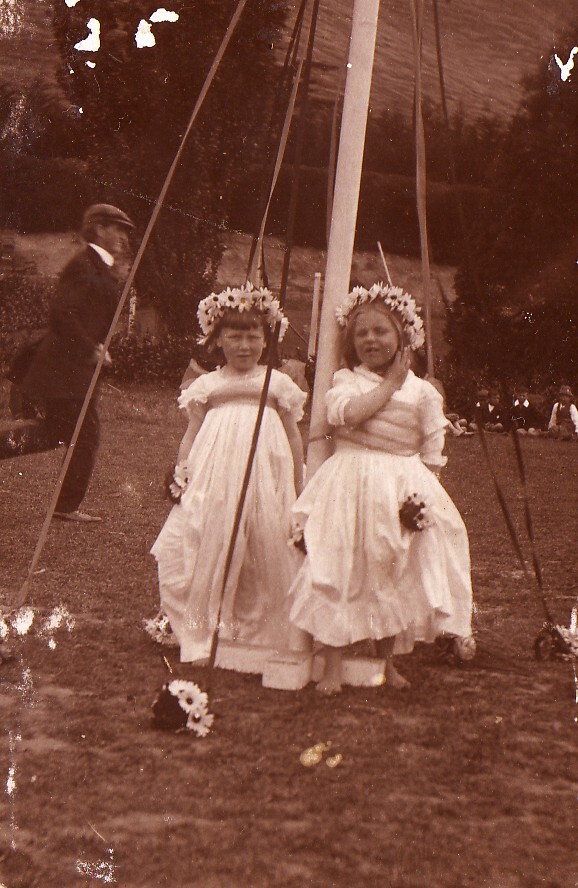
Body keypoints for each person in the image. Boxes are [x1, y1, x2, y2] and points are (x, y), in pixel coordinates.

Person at [288, 283, 473, 694]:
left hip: (401, 486)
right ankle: (333, 665)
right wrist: (389, 383)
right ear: (351, 343)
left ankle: (386, 660)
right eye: (362, 334)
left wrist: (424, 496)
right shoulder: (346, 380)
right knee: (340, 564)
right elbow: (347, 415)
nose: (371, 339)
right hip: (350, 480)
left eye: (381, 332)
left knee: (394, 567)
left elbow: (432, 445)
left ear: (403, 338)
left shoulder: (423, 391)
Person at [150, 283, 307, 664]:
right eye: (234, 337)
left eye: (253, 336)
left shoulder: (278, 384)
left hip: (265, 473)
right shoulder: (207, 386)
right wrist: (181, 473)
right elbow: (192, 434)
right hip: (216, 473)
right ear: (217, 339)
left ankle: (259, 627)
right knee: (208, 537)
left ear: (266, 339)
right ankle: (209, 623)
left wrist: (300, 482)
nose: (244, 346)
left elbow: (292, 435)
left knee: (264, 540)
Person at [20, 204, 134, 521]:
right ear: (99, 229)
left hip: (72, 371)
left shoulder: (99, 266)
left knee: (53, 432)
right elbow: (62, 315)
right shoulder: (83, 264)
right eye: (119, 229)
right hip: (64, 370)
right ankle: (66, 506)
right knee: (85, 435)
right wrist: (92, 349)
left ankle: (65, 505)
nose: (124, 237)